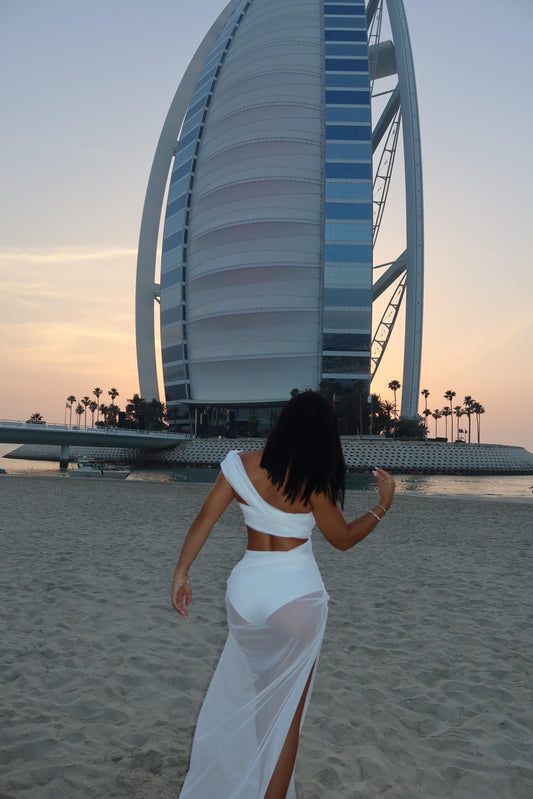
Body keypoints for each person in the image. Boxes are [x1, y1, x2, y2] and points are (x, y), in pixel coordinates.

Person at [171, 391, 395, 799]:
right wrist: (383, 505)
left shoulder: (238, 465)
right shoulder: (312, 480)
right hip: (294, 595)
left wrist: (182, 573)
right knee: (287, 715)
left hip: (246, 593)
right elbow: (342, 539)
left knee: (264, 699)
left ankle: (261, 782)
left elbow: (205, 517)